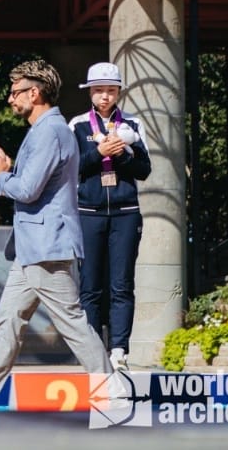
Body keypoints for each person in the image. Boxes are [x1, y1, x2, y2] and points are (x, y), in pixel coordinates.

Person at [0, 59, 111, 411]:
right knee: (9, 323)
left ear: (35, 92)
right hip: (33, 248)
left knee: (73, 324)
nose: (10, 99)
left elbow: (27, 190)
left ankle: (115, 394)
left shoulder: (49, 131)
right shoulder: (46, 130)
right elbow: (36, 182)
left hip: (47, 247)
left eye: (15, 93)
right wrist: (4, 168)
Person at [69, 61, 152, 371]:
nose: (105, 96)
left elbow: (144, 170)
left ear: (118, 92)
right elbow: (72, 168)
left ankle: (119, 351)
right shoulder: (77, 125)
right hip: (88, 212)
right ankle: (92, 353)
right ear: (90, 92)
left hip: (126, 213)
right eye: (99, 91)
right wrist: (99, 151)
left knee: (121, 284)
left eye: (111, 90)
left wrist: (124, 154)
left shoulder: (133, 124)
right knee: (89, 286)